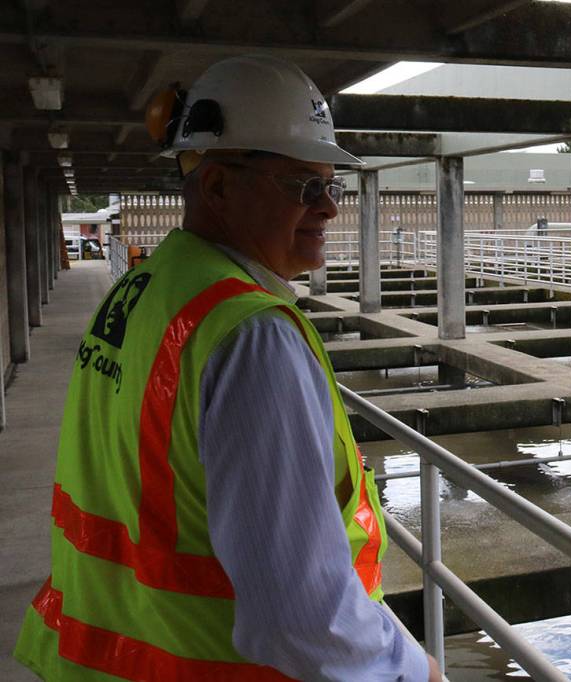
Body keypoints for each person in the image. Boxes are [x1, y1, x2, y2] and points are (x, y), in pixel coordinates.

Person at [14, 54, 441, 682]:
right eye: (304, 186)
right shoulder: (251, 336)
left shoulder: (142, 290)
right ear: (216, 187)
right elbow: (299, 616)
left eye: (333, 185)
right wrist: (412, 671)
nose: (328, 208)